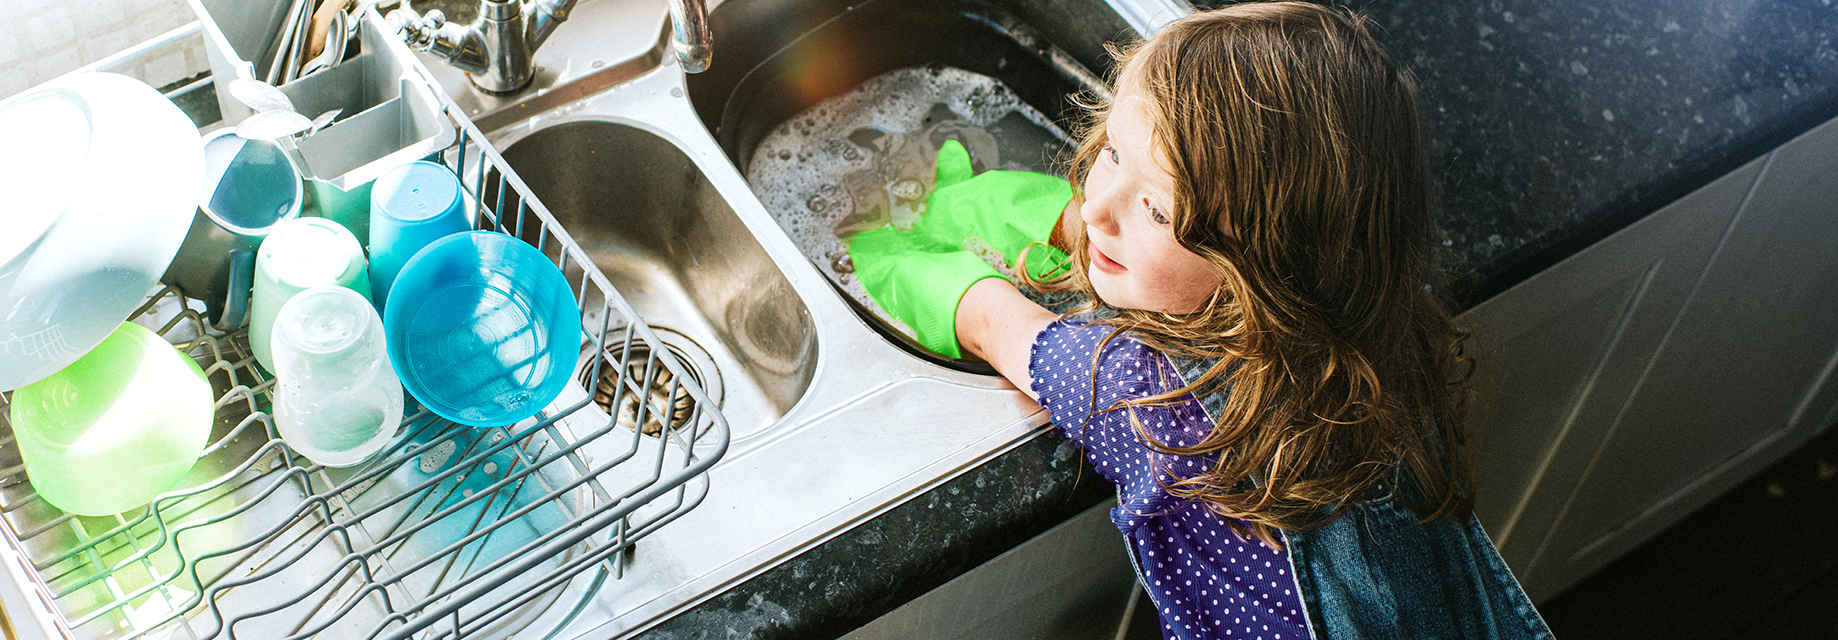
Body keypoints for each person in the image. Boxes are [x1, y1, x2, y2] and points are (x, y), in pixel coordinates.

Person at [848, 2, 1554, 638]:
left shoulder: (1148, 399)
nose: (1098, 206)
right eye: (1112, 152)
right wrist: (1005, 206)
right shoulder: (1370, 334)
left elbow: (989, 321)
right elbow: (1129, 233)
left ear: (1262, 271)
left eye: (1155, 209)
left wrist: (875, 247)